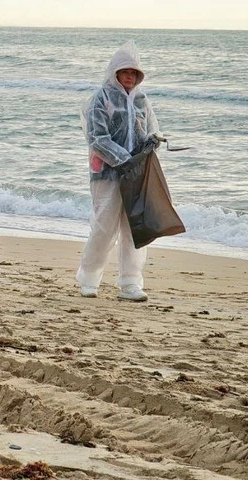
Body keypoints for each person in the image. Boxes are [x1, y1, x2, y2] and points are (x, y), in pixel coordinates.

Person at [77, 40, 161, 302]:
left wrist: (153, 142)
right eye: (125, 72)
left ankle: (130, 284)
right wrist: (124, 161)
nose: (129, 77)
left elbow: (149, 131)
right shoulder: (99, 98)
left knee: (133, 228)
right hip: (107, 174)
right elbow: (97, 138)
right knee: (104, 226)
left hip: (135, 174)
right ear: (115, 73)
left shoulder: (142, 100)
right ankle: (89, 279)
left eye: (134, 73)